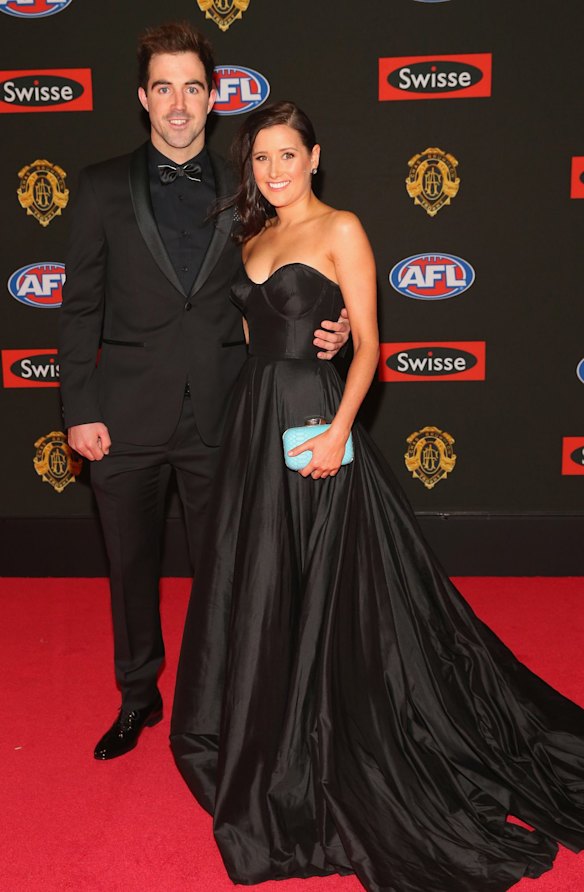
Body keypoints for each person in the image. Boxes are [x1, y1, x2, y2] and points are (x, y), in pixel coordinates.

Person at [170, 100, 584, 892]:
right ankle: (266, 725)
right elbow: (262, 340)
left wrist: (339, 433)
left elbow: (372, 348)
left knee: (330, 588)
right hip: (256, 430)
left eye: (288, 155)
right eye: (261, 159)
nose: (275, 171)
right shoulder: (252, 236)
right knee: (261, 581)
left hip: (318, 429)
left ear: (315, 157)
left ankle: (328, 733)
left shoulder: (342, 228)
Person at [58, 24, 348, 762]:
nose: (179, 103)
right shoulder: (97, 187)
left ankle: (228, 697)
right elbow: (78, 307)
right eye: (164, 87)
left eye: (193, 87)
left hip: (229, 413)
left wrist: (333, 329)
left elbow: (298, 271)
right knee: (129, 567)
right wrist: (79, 408)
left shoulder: (251, 185)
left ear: (214, 97)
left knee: (233, 572)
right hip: (121, 417)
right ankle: (138, 695)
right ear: (142, 98)